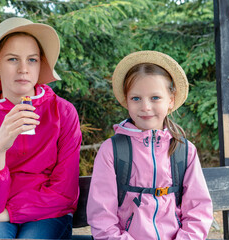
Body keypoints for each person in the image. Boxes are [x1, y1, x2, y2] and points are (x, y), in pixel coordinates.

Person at [0, 17, 82, 239]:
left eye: (32, 60)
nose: (23, 69)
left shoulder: (63, 112)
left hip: (48, 213)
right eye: (13, 59)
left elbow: (64, 194)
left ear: (40, 64)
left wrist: (3, 215)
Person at [86, 51, 213, 239]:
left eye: (155, 98)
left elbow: (198, 209)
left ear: (170, 100)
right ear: (126, 101)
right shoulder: (112, 151)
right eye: (136, 98)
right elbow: (102, 215)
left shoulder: (184, 151)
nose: (145, 107)